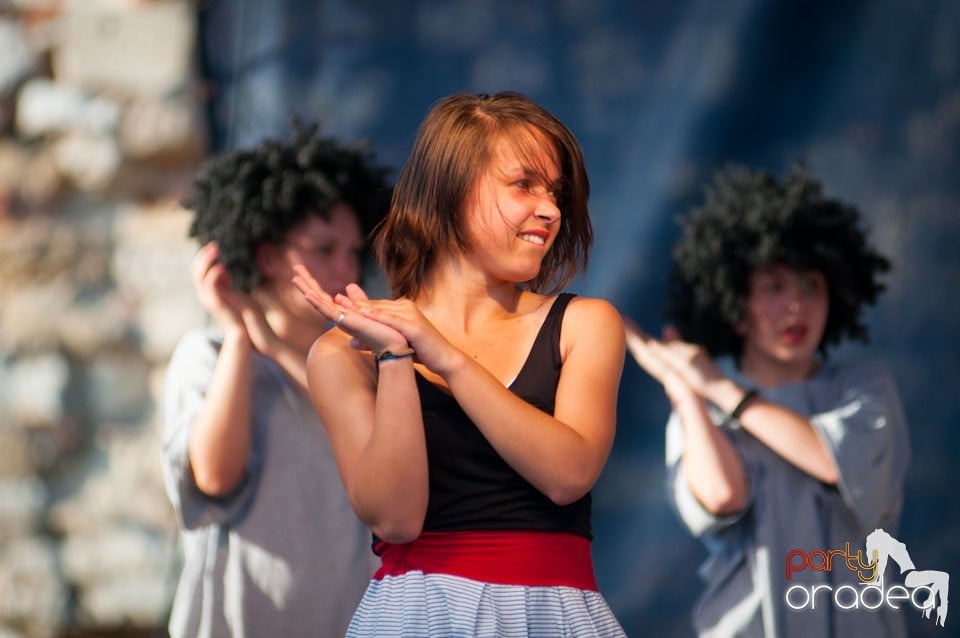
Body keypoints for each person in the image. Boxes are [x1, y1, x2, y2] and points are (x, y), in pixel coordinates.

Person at [292, 92, 627, 637]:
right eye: (523, 185)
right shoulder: (342, 353)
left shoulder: (584, 323)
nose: (550, 209)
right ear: (451, 190)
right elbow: (396, 520)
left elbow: (569, 475)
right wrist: (398, 356)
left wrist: (446, 358)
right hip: (418, 616)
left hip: (551, 615)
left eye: (556, 192)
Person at [624, 164, 911, 637]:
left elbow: (830, 459)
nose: (796, 306)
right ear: (737, 307)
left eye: (811, 286)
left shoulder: (864, 387)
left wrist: (718, 388)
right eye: (774, 287)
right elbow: (720, 495)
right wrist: (683, 391)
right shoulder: (699, 408)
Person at [160, 124, 392, 637]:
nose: (346, 267)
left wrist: (270, 342)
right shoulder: (210, 355)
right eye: (324, 249)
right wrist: (242, 337)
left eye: (354, 251)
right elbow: (215, 478)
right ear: (267, 255)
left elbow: (388, 463)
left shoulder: (370, 362)